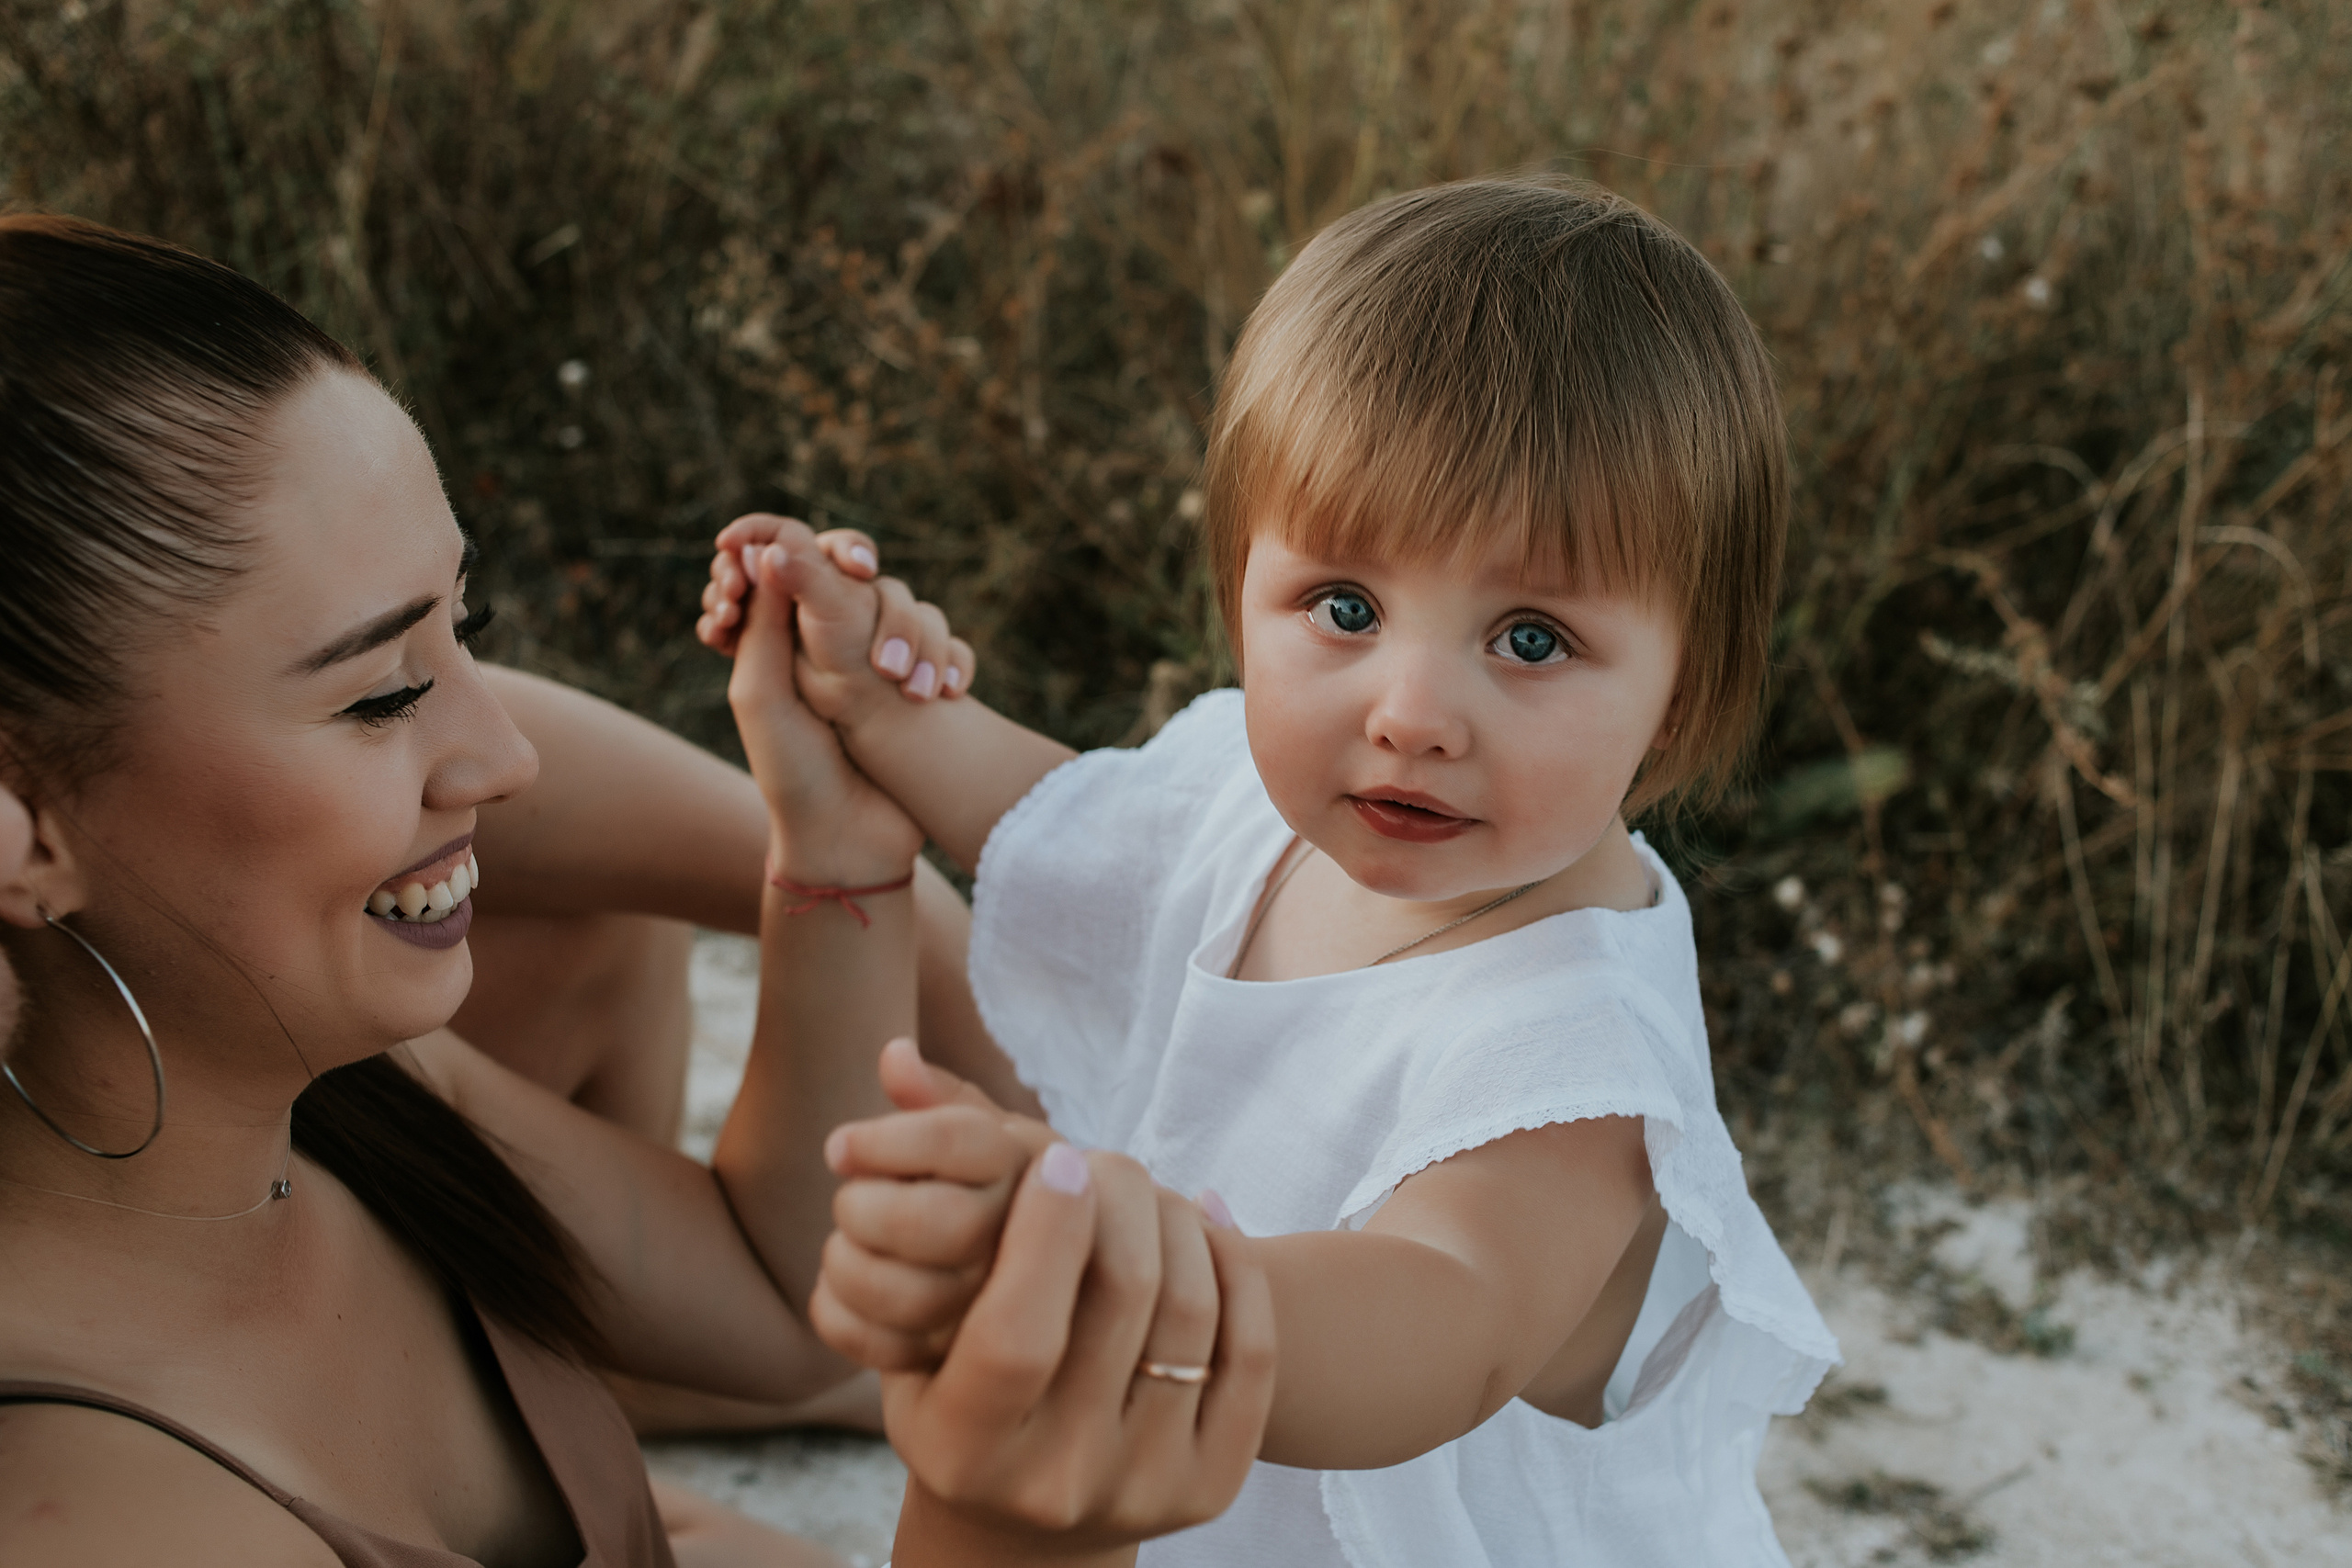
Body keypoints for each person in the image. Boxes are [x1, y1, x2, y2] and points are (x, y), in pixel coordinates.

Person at [0, 214, 1272, 1568]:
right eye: (383, 695)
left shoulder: (335, 1092)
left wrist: (835, 855)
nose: (507, 753)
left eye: (465, 626)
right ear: (25, 833)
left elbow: (779, 1295)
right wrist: (999, 1526)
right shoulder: (102, 1513)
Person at [703, 176, 1843, 1566]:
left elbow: (1446, 1316)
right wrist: (877, 703)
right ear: (1240, 590)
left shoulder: (1575, 1045)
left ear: (1684, 692)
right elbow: (1065, 824)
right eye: (1344, 608)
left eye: (1532, 640)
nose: (1412, 710)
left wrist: (1139, 1275)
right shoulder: (1262, 812)